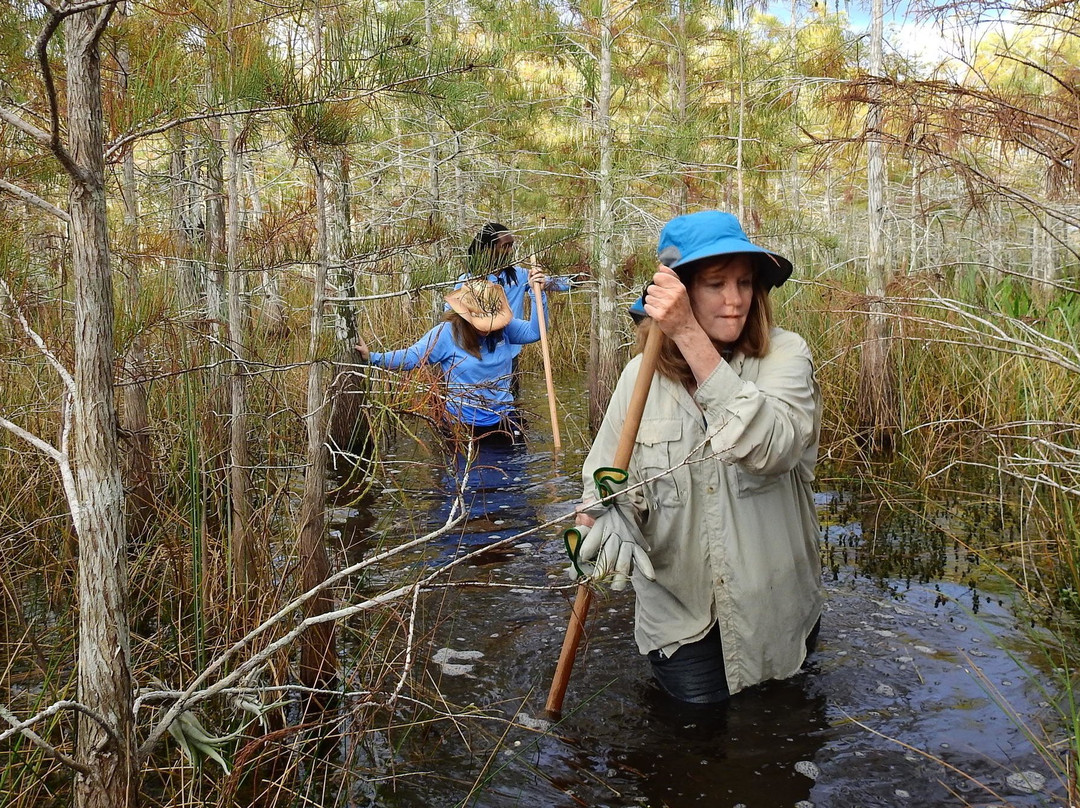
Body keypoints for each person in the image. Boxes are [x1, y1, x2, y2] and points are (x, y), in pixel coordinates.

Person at [570, 209, 824, 704]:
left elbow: (771, 448)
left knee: (775, 742)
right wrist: (598, 527)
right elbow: (601, 483)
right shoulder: (637, 380)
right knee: (691, 747)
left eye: (745, 283)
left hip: (772, 616)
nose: (735, 301)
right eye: (715, 284)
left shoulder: (785, 357)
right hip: (680, 622)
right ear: (680, 293)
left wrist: (689, 334)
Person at [355, 273, 545, 442]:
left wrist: (537, 295)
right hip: (462, 424)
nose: (487, 328)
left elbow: (536, 332)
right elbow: (412, 357)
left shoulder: (504, 329)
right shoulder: (447, 334)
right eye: (481, 322)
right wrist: (372, 357)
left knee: (512, 479)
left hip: (504, 418)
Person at [461, 223, 575, 394]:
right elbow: (455, 315)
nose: (510, 250)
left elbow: (552, 283)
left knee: (511, 406)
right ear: (489, 249)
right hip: (476, 358)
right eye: (505, 246)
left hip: (509, 356)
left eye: (511, 245)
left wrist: (577, 280)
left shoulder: (519, 275)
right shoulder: (468, 281)